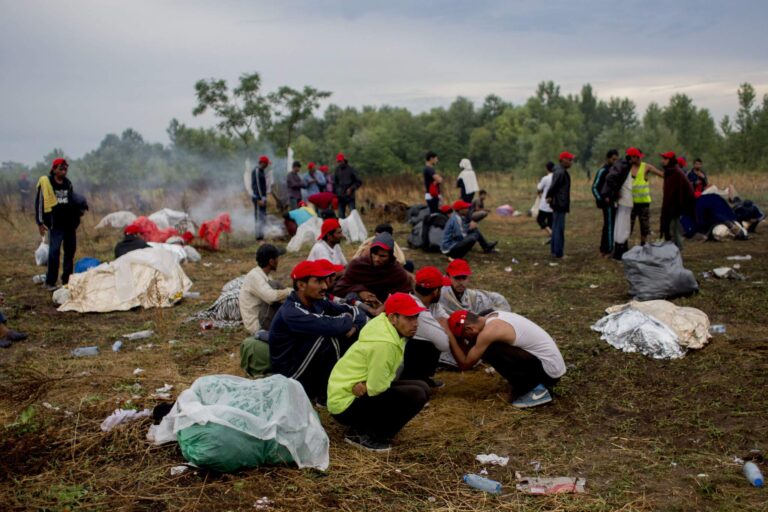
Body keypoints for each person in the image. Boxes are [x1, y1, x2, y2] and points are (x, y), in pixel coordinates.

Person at [327, 293, 430, 452]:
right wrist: (367, 386)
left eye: (416, 317)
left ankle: (369, 428)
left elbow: (380, 382)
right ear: (393, 318)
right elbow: (377, 388)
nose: (415, 323)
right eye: (409, 318)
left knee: (422, 387)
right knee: (417, 394)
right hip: (345, 403)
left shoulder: (386, 327)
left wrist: (366, 385)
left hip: (351, 390)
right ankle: (364, 435)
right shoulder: (385, 343)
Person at [269, 260, 367, 404]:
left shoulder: (317, 301)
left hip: (307, 364)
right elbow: (331, 326)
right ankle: (325, 394)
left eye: (324, 281)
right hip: (289, 376)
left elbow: (355, 310)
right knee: (326, 337)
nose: (325, 286)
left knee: (346, 333)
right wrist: (346, 319)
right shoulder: (291, 312)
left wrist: (355, 326)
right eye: (318, 281)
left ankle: (344, 382)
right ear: (301, 285)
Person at [447, 310, 566, 408]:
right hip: (551, 365)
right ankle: (530, 383)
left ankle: (535, 390)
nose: (466, 340)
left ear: (470, 329)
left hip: (549, 373)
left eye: (465, 337)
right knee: (482, 344)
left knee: (490, 349)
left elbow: (465, 363)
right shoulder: (490, 316)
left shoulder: (489, 332)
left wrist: (450, 337)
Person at [400, 266, 454, 388]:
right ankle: (412, 380)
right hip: (399, 362)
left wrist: (442, 326)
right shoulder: (420, 312)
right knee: (427, 344)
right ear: (435, 291)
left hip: (401, 354)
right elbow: (444, 345)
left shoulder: (431, 303)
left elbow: (448, 320)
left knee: (431, 337)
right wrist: (442, 327)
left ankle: (422, 378)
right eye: (441, 288)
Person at [333, 232, 413, 307]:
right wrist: (360, 291)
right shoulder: (358, 265)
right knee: (352, 296)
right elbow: (339, 289)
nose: (377, 259)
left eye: (382, 256)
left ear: (390, 256)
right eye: (374, 254)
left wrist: (382, 305)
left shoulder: (397, 272)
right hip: (359, 307)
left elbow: (404, 297)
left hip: (386, 309)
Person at [35, 158, 80, 291]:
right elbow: (39, 204)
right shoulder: (46, 183)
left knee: (70, 252)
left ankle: (67, 280)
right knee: (54, 252)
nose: (64, 171)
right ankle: (50, 281)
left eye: (65, 169)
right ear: (54, 169)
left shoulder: (68, 183)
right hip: (55, 225)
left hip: (69, 225)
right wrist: (40, 222)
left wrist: (78, 211)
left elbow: (71, 200)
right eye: (61, 169)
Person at [240, 244, 293, 335]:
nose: (278, 260)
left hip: (263, 316)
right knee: (275, 285)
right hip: (258, 326)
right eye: (277, 258)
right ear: (271, 261)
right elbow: (271, 297)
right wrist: (290, 291)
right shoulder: (254, 276)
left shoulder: (265, 276)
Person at [439, 259, 510, 314]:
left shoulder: (470, 295)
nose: (461, 282)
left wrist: (489, 311)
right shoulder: (442, 294)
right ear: (448, 277)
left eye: (464, 278)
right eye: (457, 278)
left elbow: (496, 298)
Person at [659, 151, 695, 250]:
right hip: (669, 207)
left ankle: (676, 251)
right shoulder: (669, 172)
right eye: (663, 158)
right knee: (671, 230)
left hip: (674, 208)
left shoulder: (676, 172)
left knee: (673, 230)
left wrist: (681, 204)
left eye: (665, 159)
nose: (663, 161)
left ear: (671, 160)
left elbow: (689, 189)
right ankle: (674, 251)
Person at [629, 150, 664, 246]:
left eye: (635, 157)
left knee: (644, 227)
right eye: (632, 157)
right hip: (630, 203)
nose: (633, 159)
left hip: (643, 203)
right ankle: (623, 246)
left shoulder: (646, 167)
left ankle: (643, 245)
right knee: (628, 226)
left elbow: (661, 174)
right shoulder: (628, 167)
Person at [591, 150, 619, 257]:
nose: (615, 161)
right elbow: (594, 187)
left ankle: (604, 248)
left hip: (614, 202)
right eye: (613, 159)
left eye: (617, 159)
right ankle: (609, 250)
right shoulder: (603, 171)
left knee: (609, 225)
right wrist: (602, 199)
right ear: (608, 159)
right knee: (609, 226)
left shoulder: (616, 170)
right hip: (607, 204)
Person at [545, 151, 573, 258]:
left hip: (557, 202)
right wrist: (549, 196)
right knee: (559, 228)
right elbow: (553, 186)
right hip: (560, 203)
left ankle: (554, 251)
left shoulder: (558, 170)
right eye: (569, 160)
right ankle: (558, 253)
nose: (571, 162)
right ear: (563, 160)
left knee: (556, 227)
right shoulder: (561, 172)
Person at [333, 153, 363, 218]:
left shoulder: (351, 169)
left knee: (353, 215)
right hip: (340, 197)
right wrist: (336, 193)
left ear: (344, 160)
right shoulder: (337, 170)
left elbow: (359, 181)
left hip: (350, 197)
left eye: (340, 161)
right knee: (341, 216)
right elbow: (335, 183)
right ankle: (343, 225)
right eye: (338, 161)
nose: (339, 163)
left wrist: (351, 188)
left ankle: (354, 224)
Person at [251, 155, 270, 241]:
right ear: (262, 163)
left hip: (262, 199)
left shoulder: (262, 171)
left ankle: (261, 235)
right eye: (266, 163)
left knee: (262, 217)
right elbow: (257, 186)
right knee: (259, 217)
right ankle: (258, 237)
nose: (267, 165)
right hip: (258, 199)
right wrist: (259, 199)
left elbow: (263, 187)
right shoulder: (257, 171)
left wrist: (264, 198)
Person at [536, 162, 555, 240]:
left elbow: (539, 188)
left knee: (540, 219)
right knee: (551, 222)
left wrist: (538, 183)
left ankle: (551, 234)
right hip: (554, 203)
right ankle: (552, 237)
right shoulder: (557, 177)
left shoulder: (545, 178)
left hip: (545, 203)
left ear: (546, 168)